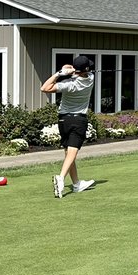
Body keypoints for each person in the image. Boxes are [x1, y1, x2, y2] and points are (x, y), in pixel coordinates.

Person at [41, 54, 96, 199]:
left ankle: (77, 184)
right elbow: (83, 72)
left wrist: (59, 73)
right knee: (72, 153)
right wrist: (73, 71)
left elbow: (44, 88)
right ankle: (61, 178)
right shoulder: (91, 79)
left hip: (63, 120)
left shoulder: (67, 84)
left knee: (68, 154)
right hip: (78, 120)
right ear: (86, 69)